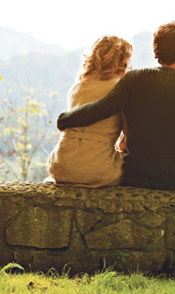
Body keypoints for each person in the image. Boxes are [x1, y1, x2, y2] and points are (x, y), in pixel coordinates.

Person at [56, 22, 175, 190]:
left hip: (137, 176)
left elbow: (101, 109)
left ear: (155, 51)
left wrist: (65, 119)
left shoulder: (134, 79)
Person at [46, 35, 132, 187]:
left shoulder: (76, 89)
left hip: (61, 166)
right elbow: (128, 137)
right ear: (120, 62)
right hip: (99, 170)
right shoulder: (120, 88)